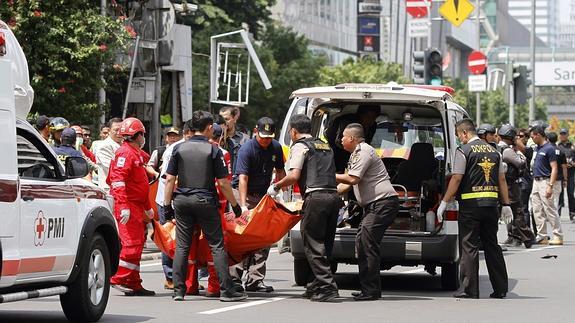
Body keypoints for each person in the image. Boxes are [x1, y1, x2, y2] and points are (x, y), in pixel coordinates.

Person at [163, 110, 247, 302]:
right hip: (205, 200)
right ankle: (226, 291)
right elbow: (224, 183)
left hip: (182, 201)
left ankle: (178, 290)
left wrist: (168, 207)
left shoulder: (178, 148)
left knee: (183, 245)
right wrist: (235, 206)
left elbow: (169, 180)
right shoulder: (213, 150)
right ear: (209, 128)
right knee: (216, 245)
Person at [270, 114, 341, 302]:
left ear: (293, 131)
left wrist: (276, 187)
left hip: (316, 198)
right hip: (333, 197)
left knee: (312, 244)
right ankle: (314, 285)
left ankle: (327, 287)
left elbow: (294, 176)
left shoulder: (300, 147)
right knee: (325, 243)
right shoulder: (325, 145)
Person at [437, 119, 510, 299]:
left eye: (458, 136)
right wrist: (506, 205)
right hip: (491, 206)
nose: (459, 140)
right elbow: (501, 180)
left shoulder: (464, 151)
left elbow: (456, 178)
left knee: (469, 246)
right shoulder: (495, 152)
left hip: (471, 207)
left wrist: (445, 201)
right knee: (492, 245)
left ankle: (470, 289)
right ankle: (500, 289)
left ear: (464, 133)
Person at [335, 123, 399, 301]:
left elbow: (353, 178)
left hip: (383, 203)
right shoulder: (356, 154)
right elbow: (346, 184)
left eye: (343, 137)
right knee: (362, 243)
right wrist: (329, 192)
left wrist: (328, 174)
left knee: (367, 243)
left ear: (352, 139)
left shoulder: (364, 151)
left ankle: (371, 291)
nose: (340, 140)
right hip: (374, 206)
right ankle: (367, 288)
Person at [229, 117, 286, 293]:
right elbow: (242, 178)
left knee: (263, 238)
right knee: (240, 237)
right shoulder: (247, 149)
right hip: (244, 195)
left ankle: (255, 279)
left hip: (264, 197)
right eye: (263, 137)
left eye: (269, 137)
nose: (266, 140)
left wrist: (280, 189)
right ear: (256, 132)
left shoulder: (275, 147)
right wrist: (243, 206)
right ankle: (234, 278)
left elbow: (280, 171)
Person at [107, 117, 155, 296]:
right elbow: (118, 181)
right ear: (138, 135)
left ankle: (133, 282)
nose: (144, 138)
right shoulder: (125, 153)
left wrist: (146, 206)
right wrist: (124, 205)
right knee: (131, 245)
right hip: (127, 206)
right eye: (142, 134)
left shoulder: (134, 154)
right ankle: (118, 277)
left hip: (136, 206)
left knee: (138, 244)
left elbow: (139, 185)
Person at [154, 125, 191, 290]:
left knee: (183, 240)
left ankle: (184, 278)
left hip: (183, 200)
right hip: (167, 200)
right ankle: (170, 277)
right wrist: (169, 205)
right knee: (168, 237)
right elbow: (169, 179)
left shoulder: (192, 147)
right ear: (188, 132)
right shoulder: (174, 150)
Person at [497, 124, 535, 248]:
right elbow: (521, 163)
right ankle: (528, 237)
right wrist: (519, 152)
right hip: (510, 185)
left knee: (503, 211)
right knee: (517, 212)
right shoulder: (507, 150)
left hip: (502, 184)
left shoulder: (497, 148)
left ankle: (516, 236)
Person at [530, 126, 564, 245]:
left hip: (545, 181)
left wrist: (550, 185)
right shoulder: (537, 149)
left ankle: (558, 235)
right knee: (537, 210)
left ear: (538, 135)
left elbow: (554, 168)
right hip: (536, 181)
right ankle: (542, 236)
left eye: (533, 136)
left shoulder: (549, 148)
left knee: (549, 209)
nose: (532, 138)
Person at [326, 105, 379, 173]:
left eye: (373, 118)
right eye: (368, 117)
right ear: (361, 115)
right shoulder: (347, 121)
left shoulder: (373, 126)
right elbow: (337, 141)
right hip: (338, 153)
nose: (370, 120)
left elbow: (367, 141)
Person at [219, 106, 250, 185]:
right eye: (221, 120)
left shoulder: (244, 139)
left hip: (236, 184)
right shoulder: (213, 139)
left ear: (234, 118)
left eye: (227, 119)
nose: (224, 123)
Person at [96, 118, 123, 192]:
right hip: (109, 190)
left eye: (121, 130)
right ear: (109, 130)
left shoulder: (125, 145)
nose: (119, 133)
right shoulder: (104, 146)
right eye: (116, 130)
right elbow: (112, 170)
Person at [516, 128, 535, 228]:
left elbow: (523, 148)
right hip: (516, 182)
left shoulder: (529, 150)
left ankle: (527, 232)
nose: (519, 138)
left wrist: (515, 139)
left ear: (527, 138)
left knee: (524, 208)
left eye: (521, 136)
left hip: (525, 182)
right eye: (517, 136)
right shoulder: (513, 150)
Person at [548, 132, 568, 215]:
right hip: (558, 179)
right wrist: (565, 179)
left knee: (547, 199)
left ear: (548, 139)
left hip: (547, 178)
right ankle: (555, 216)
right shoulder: (561, 151)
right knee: (555, 200)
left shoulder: (546, 150)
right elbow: (564, 167)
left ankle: (548, 216)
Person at [557, 129, 575, 220]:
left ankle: (572, 213)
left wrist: (572, 164)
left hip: (571, 173)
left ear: (567, 135)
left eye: (564, 133)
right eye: (561, 134)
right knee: (560, 194)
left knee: (570, 193)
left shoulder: (572, 146)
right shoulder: (557, 146)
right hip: (560, 173)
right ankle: (558, 213)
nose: (563, 135)